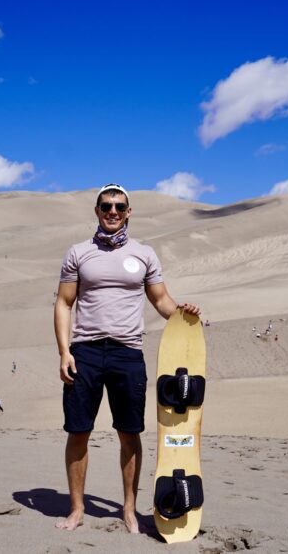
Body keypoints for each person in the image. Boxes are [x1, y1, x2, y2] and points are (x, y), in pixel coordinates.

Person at [54, 183, 201, 534]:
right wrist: (64, 352)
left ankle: (130, 510)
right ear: (97, 210)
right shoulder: (78, 252)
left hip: (128, 354)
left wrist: (184, 314)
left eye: (120, 206)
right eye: (106, 206)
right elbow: (64, 303)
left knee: (129, 433)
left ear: (129, 211)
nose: (113, 212)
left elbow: (161, 300)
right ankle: (77, 509)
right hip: (85, 353)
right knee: (78, 432)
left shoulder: (145, 254)